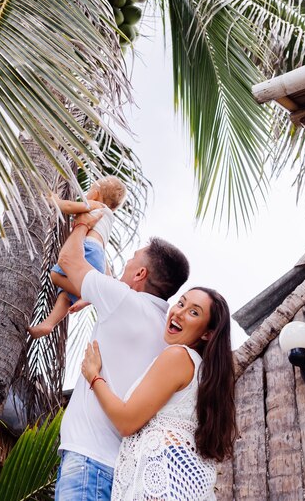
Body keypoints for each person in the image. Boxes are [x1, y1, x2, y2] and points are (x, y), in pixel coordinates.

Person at [53, 210, 190, 501]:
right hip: (119, 471)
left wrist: (84, 223)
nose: (126, 263)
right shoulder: (166, 330)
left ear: (141, 274)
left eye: (131, 259)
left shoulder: (123, 300)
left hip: (89, 463)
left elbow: (67, 262)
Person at [81, 287, 237, 501]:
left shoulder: (178, 356)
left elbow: (126, 421)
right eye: (181, 303)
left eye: (194, 312)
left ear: (207, 333)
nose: (179, 313)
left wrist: (94, 377)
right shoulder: (205, 375)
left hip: (163, 474)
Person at [28, 176, 127, 338]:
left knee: (56, 275)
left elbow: (67, 206)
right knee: (65, 295)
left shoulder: (96, 205)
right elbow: (102, 255)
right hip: (97, 257)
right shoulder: (107, 219)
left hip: (87, 249)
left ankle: (88, 294)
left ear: (95, 194)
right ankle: (48, 324)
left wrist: (55, 199)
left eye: (87, 192)